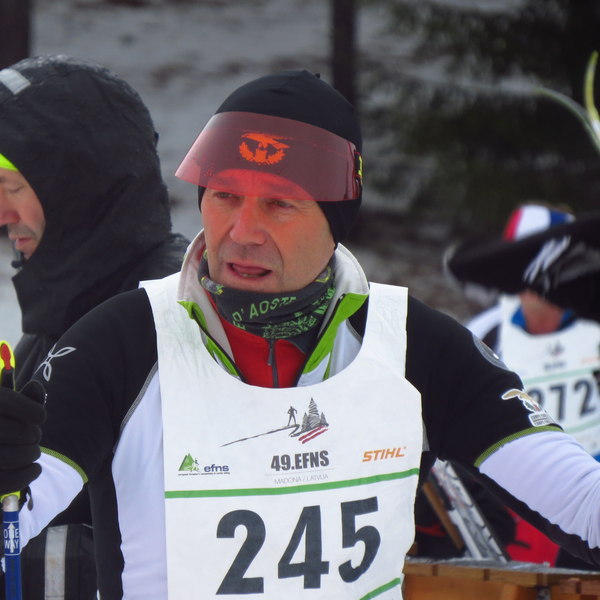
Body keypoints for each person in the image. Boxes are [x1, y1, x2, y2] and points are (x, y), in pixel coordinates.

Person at [2, 70, 600, 600]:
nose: (242, 231)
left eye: (280, 204)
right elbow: (14, 518)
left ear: (336, 219)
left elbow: (581, 502)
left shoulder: (412, 344)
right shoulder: (124, 342)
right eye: (225, 196)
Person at [0, 55, 189, 598]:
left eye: (14, 186)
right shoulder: (58, 316)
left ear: (79, 184)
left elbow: (197, 527)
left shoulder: (173, 322)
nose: (2, 213)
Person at [446, 203, 600, 567]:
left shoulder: (593, 322)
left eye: (540, 263)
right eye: (519, 263)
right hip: (523, 493)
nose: (529, 282)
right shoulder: (485, 331)